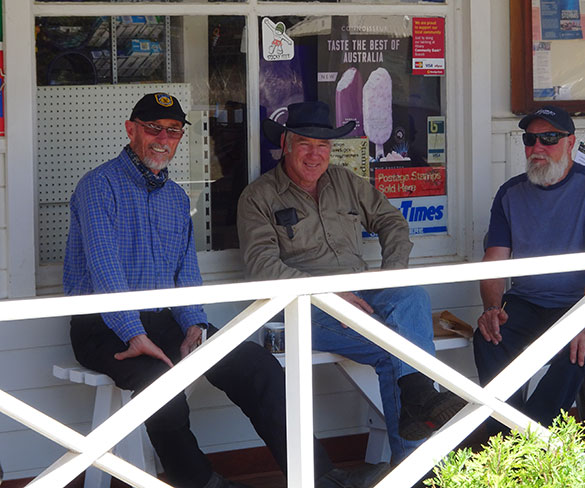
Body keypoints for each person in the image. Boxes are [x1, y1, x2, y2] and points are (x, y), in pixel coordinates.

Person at [63, 93, 386, 488]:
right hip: (103, 326)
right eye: (153, 129)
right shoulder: (99, 187)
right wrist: (134, 332)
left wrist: (195, 324)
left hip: (164, 320)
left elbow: (186, 274)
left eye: (173, 131)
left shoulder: (177, 198)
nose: (163, 139)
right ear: (131, 130)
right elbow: (105, 270)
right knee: (158, 383)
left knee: (256, 366)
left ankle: (319, 476)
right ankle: (201, 483)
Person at [236, 101, 466, 465]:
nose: (315, 155)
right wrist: (327, 294)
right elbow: (263, 267)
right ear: (286, 144)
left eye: (323, 146)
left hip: (357, 293)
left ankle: (417, 396)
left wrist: (391, 274)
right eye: (306, 145)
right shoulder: (259, 196)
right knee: (395, 351)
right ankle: (419, 466)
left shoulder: (344, 181)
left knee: (411, 294)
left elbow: (393, 223)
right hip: (301, 307)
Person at [474, 105, 585, 432]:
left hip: (584, 304)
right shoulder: (509, 193)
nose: (538, 147)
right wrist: (491, 308)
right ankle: (504, 437)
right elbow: (495, 259)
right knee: (488, 336)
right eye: (531, 139)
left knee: (576, 347)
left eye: (550, 138)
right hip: (528, 299)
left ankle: (529, 438)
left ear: (570, 143)